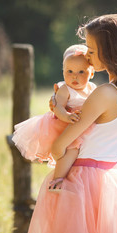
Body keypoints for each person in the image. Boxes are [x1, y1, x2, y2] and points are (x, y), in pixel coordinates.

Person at [26, 14, 117, 233]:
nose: (87, 56)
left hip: (83, 181)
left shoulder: (104, 93)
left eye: (91, 50)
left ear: (109, 50)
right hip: (113, 177)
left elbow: (61, 144)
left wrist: (54, 143)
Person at [12, 44, 97, 183]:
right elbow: (58, 108)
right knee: (72, 151)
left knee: (80, 154)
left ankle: (72, 177)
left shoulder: (93, 88)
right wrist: (67, 116)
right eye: (69, 71)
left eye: (81, 72)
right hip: (65, 124)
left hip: (82, 125)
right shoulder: (65, 89)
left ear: (92, 73)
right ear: (63, 72)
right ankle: (58, 179)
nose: (75, 76)